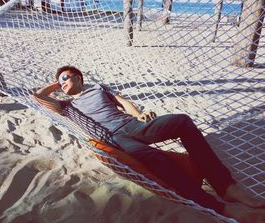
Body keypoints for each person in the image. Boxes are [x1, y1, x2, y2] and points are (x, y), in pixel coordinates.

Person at [33, 65, 265, 223]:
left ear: (79, 77)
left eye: (67, 77)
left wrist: (139, 114)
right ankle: (221, 207)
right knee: (156, 160)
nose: (62, 82)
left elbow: (124, 104)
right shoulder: (67, 108)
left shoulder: (98, 89)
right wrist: (57, 83)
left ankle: (226, 187)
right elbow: (38, 97)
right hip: (115, 139)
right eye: (60, 80)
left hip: (134, 125)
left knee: (182, 121)